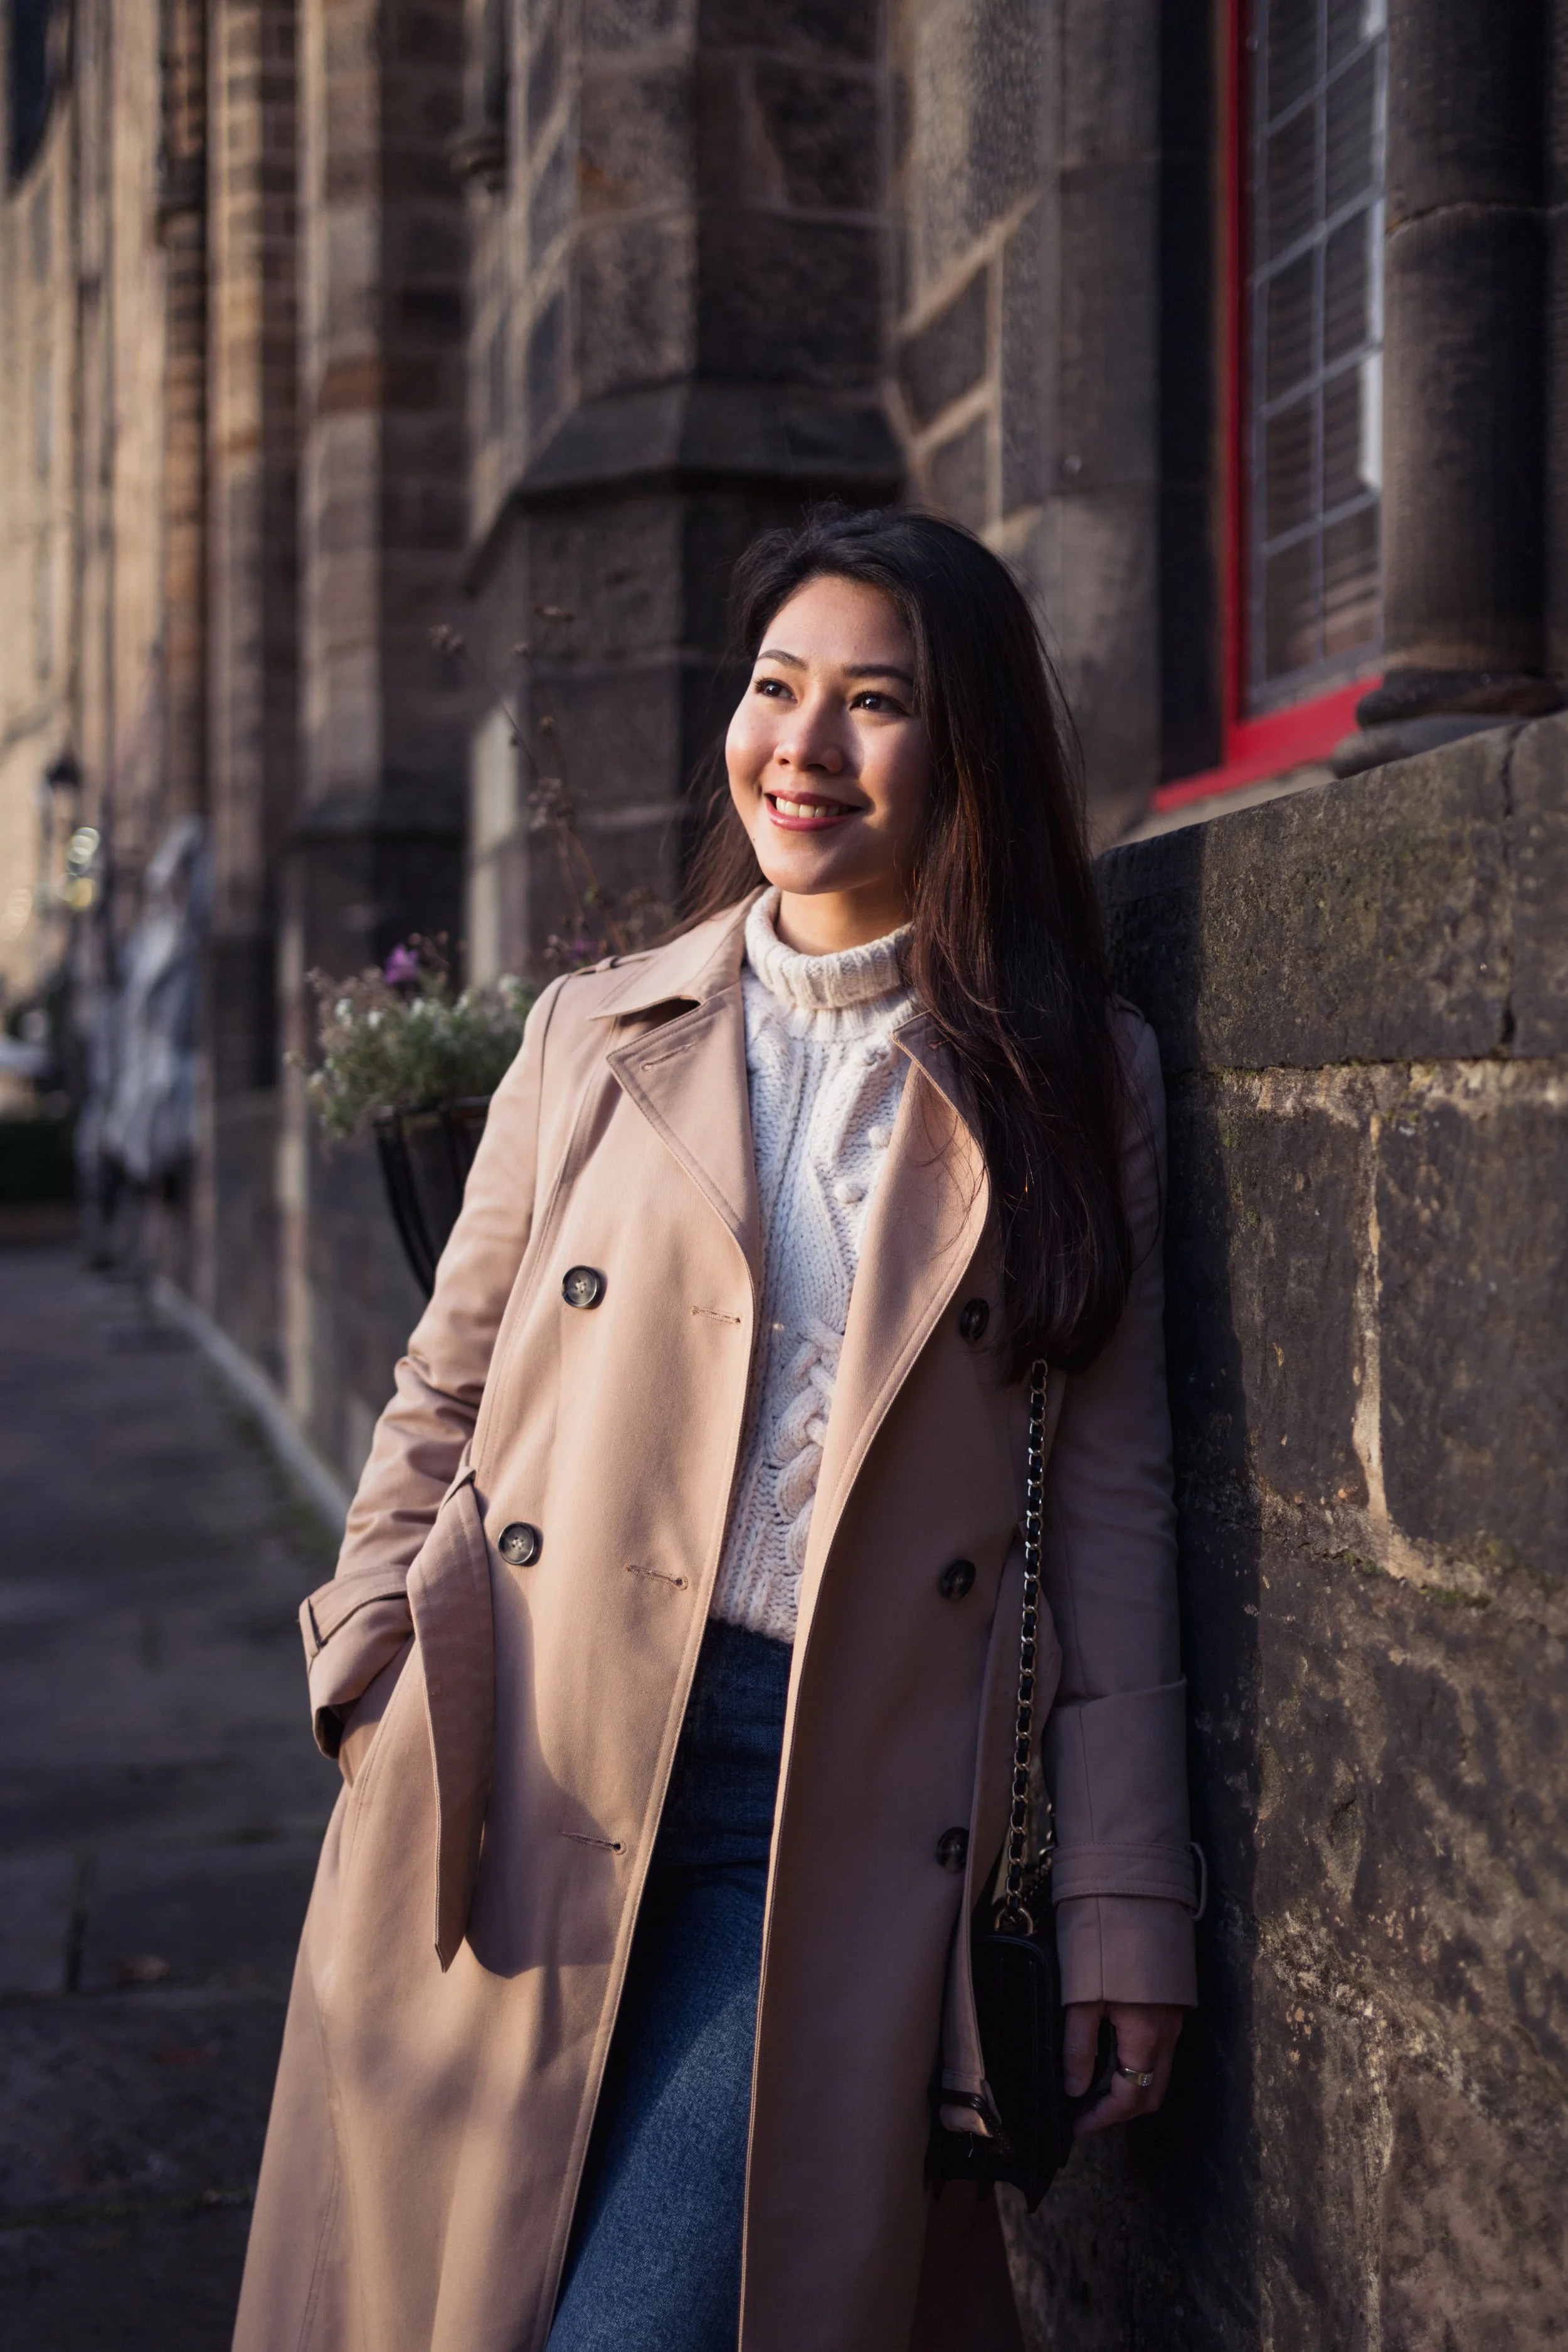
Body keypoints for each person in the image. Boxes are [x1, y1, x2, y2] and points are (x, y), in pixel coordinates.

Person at [233, 508, 1198, 2352]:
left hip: (825, 1806)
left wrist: (1127, 1897)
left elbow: (1108, 1501)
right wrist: (363, 1662)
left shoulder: (1073, 1077)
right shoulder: (596, 1030)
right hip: (523, 1768)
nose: (802, 748)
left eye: (874, 703)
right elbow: (442, 1384)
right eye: (775, 689)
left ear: (963, 747)